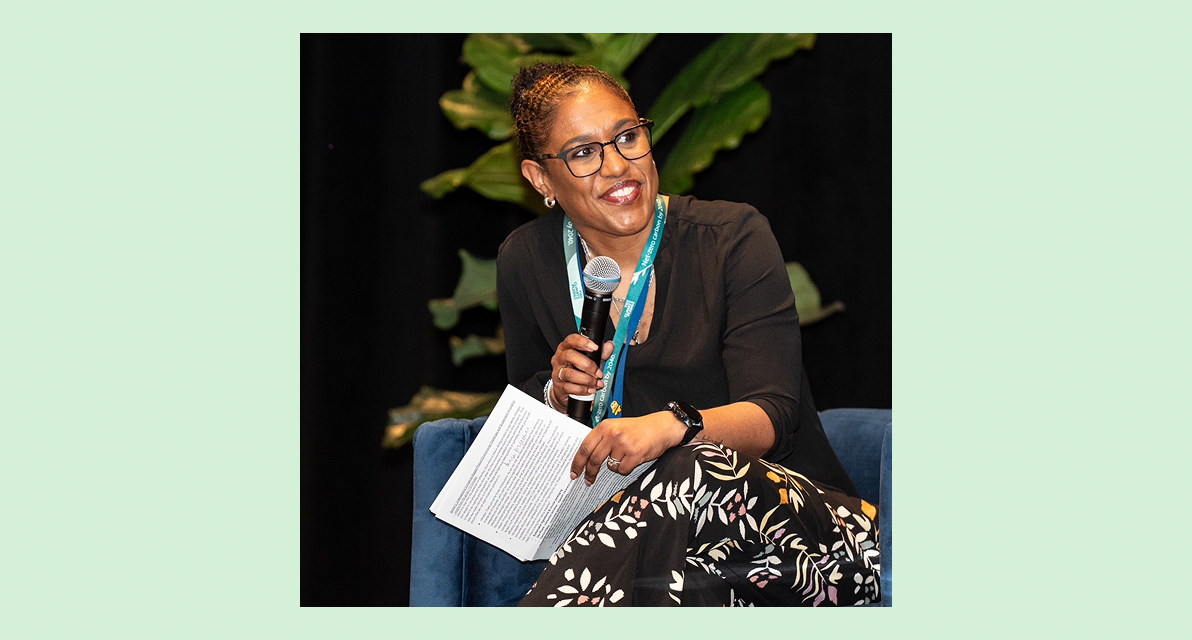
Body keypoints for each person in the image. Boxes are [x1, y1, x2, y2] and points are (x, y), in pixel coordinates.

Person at [497, 62, 879, 606]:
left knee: (688, 463)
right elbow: (532, 421)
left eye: (628, 137)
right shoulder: (526, 261)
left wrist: (672, 427)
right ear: (541, 179)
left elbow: (773, 414)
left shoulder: (732, 238)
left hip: (809, 539)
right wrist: (557, 395)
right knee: (669, 573)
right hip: (655, 550)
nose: (617, 166)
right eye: (584, 152)